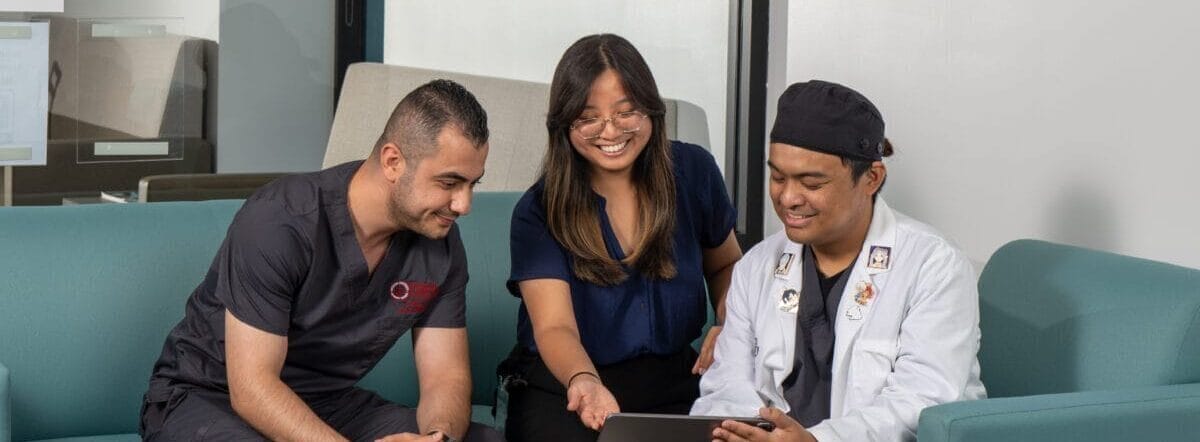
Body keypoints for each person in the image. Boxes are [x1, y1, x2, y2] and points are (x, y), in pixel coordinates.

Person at [139, 79, 504, 442]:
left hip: (324, 403)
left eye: (473, 184)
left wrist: (438, 437)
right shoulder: (280, 220)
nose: (464, 205)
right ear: (393, 162)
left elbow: (445, 377)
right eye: (449, 183)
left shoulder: (439, 242)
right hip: (207, 398)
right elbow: (252, 389)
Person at [691, 80, 986, 442]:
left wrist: (818, 440)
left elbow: (924, 400)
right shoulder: (757, 266)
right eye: (778, 177)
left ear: (871, 178)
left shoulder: (933, 266)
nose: (788, 198)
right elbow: (727, 385)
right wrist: (740, 432)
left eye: (812, 184)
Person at [499, 34, 743, 442]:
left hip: (675, 378)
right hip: (568, 383)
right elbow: (555, 327)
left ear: (651, 109)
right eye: (588, 118)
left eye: (627, 112)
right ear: (563, 123)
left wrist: (732, 323)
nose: (610, 131)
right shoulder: (537, 210)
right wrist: (583, 380)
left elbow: (727, 265)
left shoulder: (694, 171)